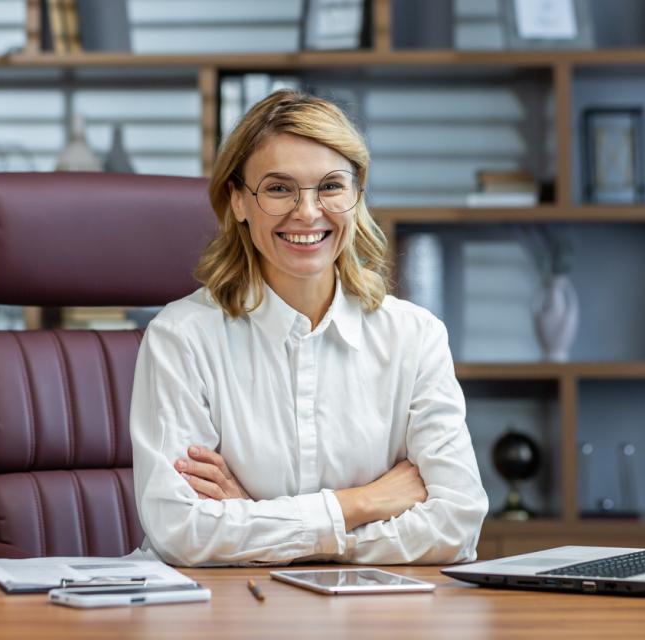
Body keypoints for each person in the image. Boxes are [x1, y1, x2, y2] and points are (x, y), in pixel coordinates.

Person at [130, 90, 488, 566]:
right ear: (238, 200)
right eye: (279, 189)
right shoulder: (183, 337)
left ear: (356, 195)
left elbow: (458, 524)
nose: (307, 211)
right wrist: (360, 504)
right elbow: (181, 531)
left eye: (331, 186)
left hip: (371, 615)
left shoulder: (415, 337)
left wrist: (257, 520)